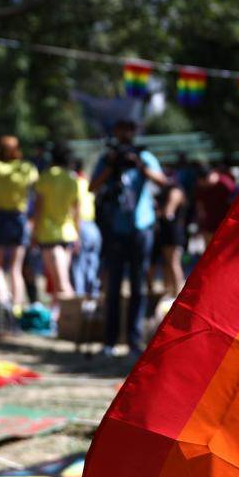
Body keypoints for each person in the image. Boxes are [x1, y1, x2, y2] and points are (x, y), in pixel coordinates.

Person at [90, 119, 169, 356]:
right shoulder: (108, 158)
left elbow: (163, 181)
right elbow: (92, 187)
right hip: (115, 228)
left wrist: (141, 167)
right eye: (120, 128)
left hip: (141, 227)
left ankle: (134, 342)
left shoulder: (144, 156)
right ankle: (110, 341)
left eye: (129, 129)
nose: (124, 133)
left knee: (138, 286)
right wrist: (111, 167)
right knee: (113, 285)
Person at [0, 135, 38, 313]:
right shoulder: (27, 168)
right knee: (16, 268)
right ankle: (16, 309)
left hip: (2, 217)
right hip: (20, 218)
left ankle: (4, 301)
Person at [33, 143, 81, 298]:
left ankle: (74, 318)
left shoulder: (45, 177)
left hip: (49, 235)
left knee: (61, 284)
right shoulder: (72, 178)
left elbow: (38, 208)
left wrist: (34, 233)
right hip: (68, 234)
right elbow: (76, 210)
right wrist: (77, 234)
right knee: (58, 282)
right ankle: (63, 319)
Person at [153, 173, 188, 302]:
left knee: (174, 262)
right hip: (169, 232)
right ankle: (171, 291)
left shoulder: (175, 191)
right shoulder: (174, 191)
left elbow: (169, 211)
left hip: (173, 233)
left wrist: (158, 212)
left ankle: (179, 292)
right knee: (169, 263)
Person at [71, 159, 101, 300]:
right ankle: (93, 297)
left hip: (81, 225)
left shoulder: (73, 183)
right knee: (92, 263)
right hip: (93, 227)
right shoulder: (86, 181)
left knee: (79, 265)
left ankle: (80, 299)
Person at [193, 164, 239, 248]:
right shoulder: (201, 187)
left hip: (224, 226)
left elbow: (235, 205)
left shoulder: (225, 184)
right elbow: (199, 206)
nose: (202, 184)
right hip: (209, 225)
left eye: (204, 181)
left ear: (211, 175)